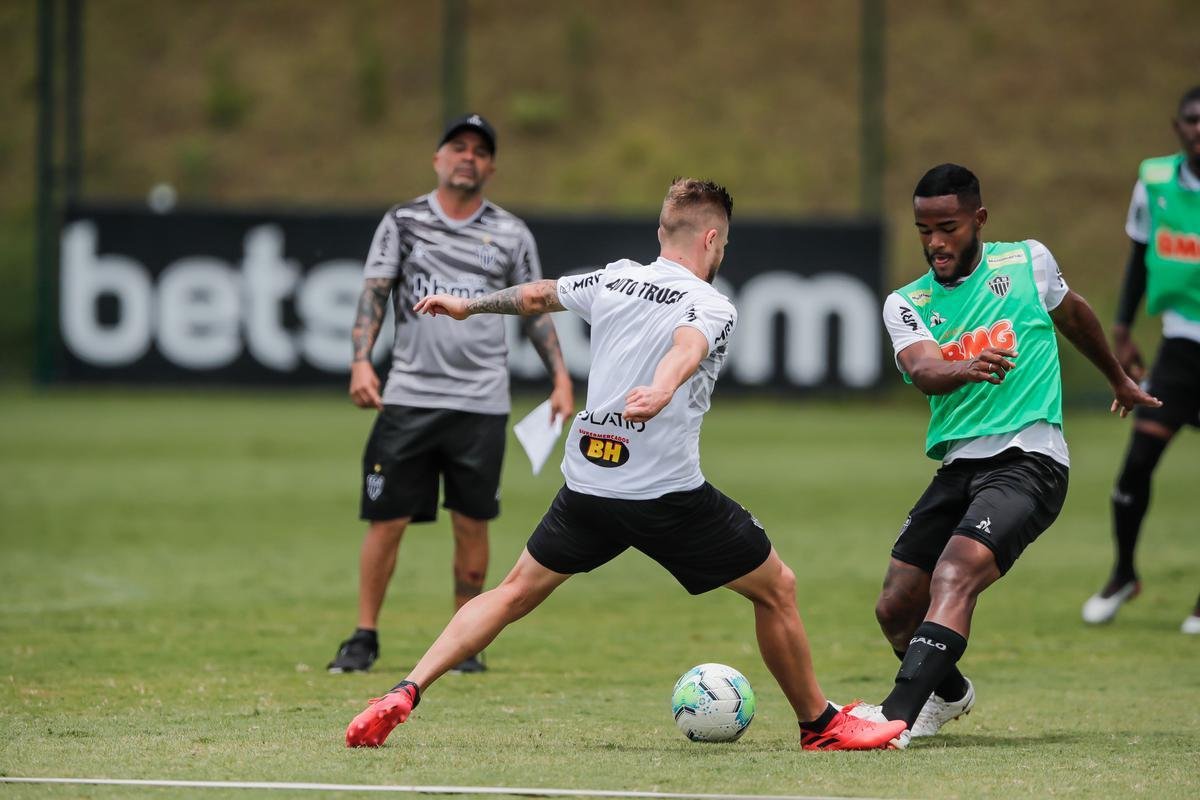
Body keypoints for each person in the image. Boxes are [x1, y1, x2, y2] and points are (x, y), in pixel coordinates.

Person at [343, 178, 908, 751]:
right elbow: (687, 344)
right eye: (724, 243)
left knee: (511, 593)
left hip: (588, 488)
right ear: (711, 238)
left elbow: (538, 295)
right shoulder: (711, 302)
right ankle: (820, 724)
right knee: (776, 588)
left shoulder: (615, 277)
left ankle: (405, 690)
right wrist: (662, 388)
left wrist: (469, 305)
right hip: (665, 499)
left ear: (662, 232)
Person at [849, 164, 1160, 747]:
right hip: (959, 465)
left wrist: (1117, 379)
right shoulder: (906, 301)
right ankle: (947, 695)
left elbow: (1075, 316)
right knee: (894, 607)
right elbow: (922, 369)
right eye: (924, 230)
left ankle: (892, 718)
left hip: (1031, 459)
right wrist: (963, 366)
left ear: (979, 220)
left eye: (948, 227)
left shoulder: (1028, 263)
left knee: (955, 572)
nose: (935, 242)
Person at [327, 113, 574, 675]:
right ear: (437, 158)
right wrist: (361, 361)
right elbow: (373, 295)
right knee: (386, 519)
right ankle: (364, 635)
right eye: (458, 147)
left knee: (472, 520)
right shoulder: (404, 221)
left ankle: (466, 642)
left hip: (481, 401)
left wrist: (560, 377)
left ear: (491, 166)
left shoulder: (512, 233)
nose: (469, 157)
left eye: (480, 151)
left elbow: (535, 311)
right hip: (409, 396)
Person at [1081, 86, 1200, 634]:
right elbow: (1136, 256)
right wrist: (1123, 330)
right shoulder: (1154, 182)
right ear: (1177, 127)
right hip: (1179, 344)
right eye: (1193, 120)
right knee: (1135, 467)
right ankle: (1124, 573)